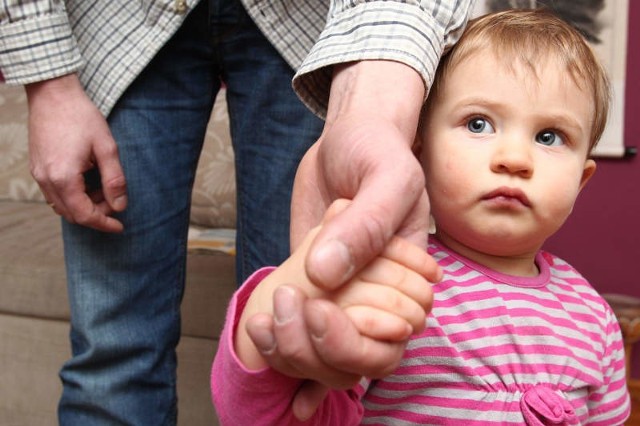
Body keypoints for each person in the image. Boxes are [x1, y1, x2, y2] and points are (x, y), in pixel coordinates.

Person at [0, 0, 475, 423]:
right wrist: (48, 83)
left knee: (300, 353)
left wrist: (370, 108)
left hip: (315, 27)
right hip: (115, 24)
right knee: (113, 356)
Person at [211, 8, 631, 425]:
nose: (514, 159)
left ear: (581, 180)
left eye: (548, 136)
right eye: (479, 124)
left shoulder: (595, 319)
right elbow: (294, 415)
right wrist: (275, 307)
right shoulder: (392, 285)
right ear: (417, 153)